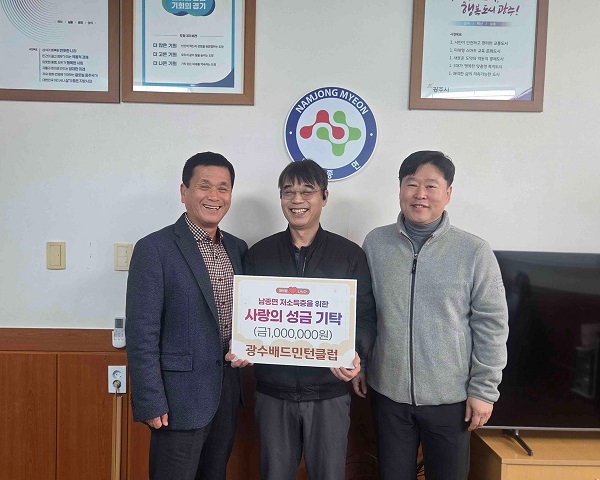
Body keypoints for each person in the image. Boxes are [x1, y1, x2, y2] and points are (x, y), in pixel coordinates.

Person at [356, 150, 509, 480]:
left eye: (431, 186)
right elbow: (365, 310)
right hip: (388, 394)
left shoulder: (473, 251)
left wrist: (484, 390)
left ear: (448, 193)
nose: (420, 194)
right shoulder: (376, 243)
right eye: (411, 184)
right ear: (400, 189)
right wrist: (363, 363)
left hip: (450, 398)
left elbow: (492, 324)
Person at [244, 159, 377, 480]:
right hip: (273, 392)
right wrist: (242, 343)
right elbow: (246, 314)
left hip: (328, 392)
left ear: (324, 197)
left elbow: (366, 316)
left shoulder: (349, 255)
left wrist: (354, 352)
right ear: (280, 198)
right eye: (288, 192)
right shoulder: (258, 254)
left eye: (307, 191)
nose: (297, 200)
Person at [125, 152, 249, 480]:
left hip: (226, 394)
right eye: (204, 186)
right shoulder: (155, 248)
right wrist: (150, 400)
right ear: (184, 192)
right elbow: (141, 332)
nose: (214, 196)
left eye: (223, 188)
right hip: (177, 399)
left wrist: (251, 346)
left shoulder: (237, 248)